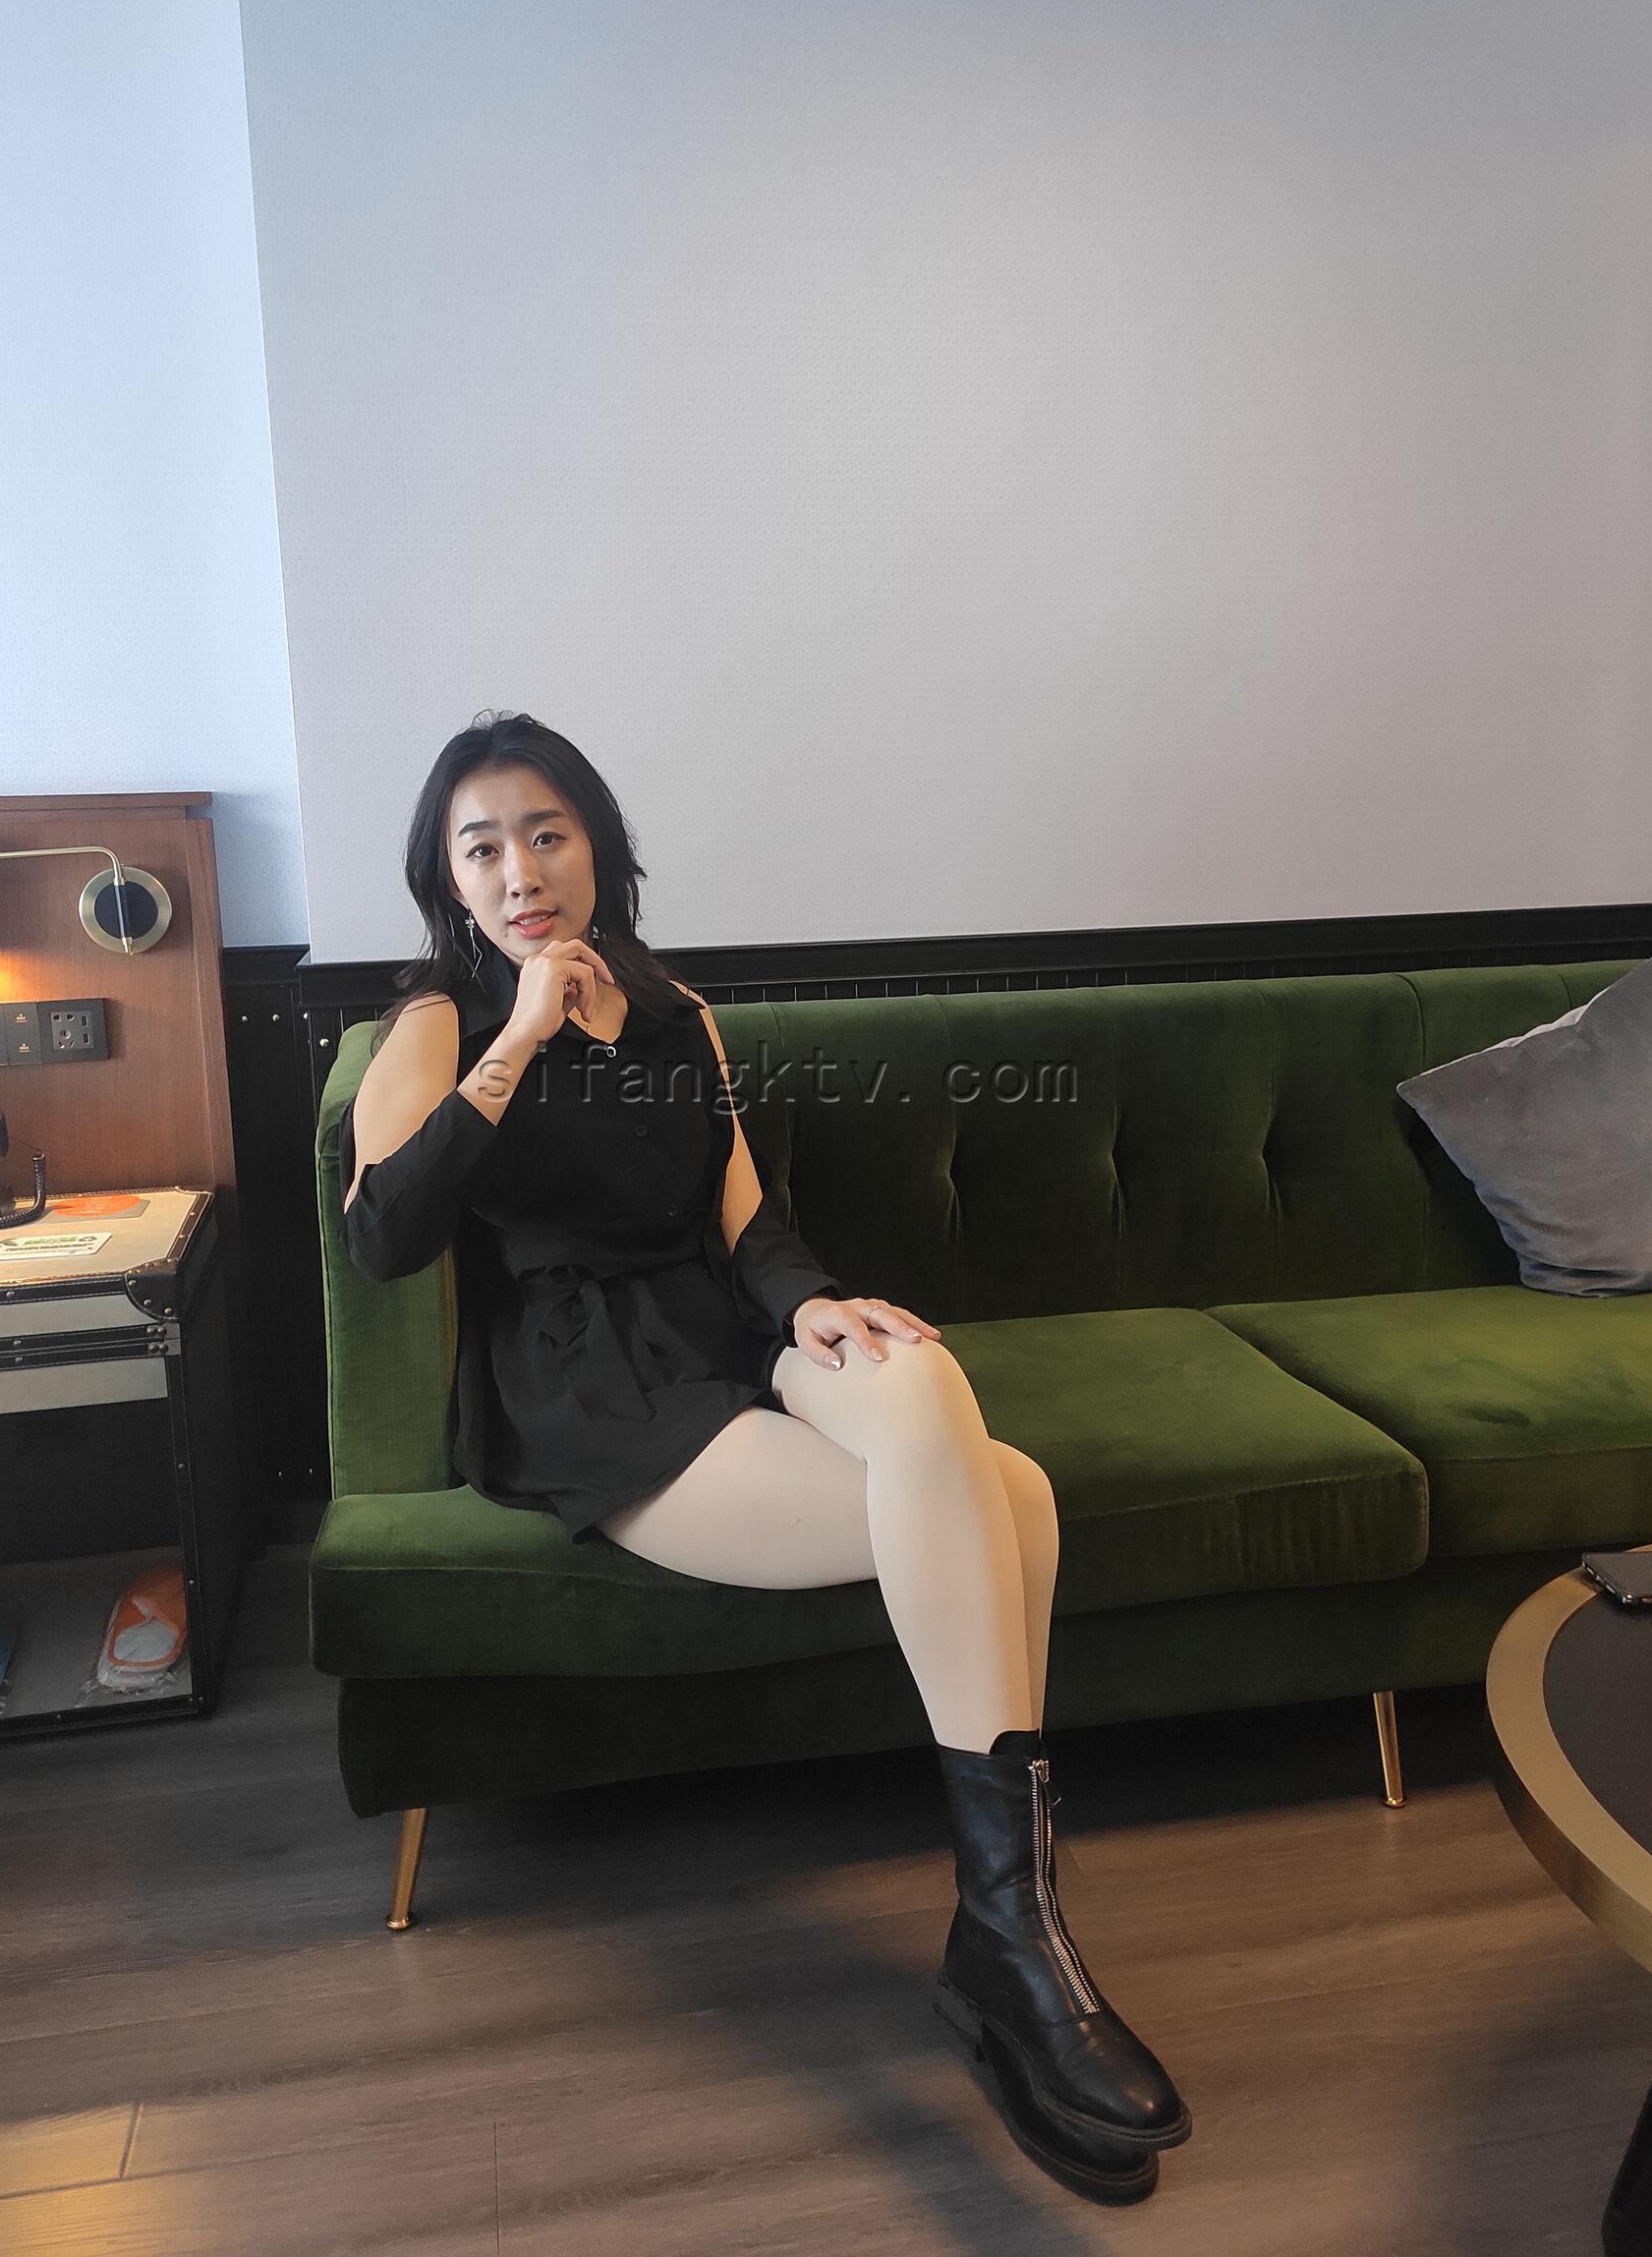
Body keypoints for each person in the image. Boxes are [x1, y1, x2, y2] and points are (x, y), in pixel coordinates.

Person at [339, 710, 1190, 2204]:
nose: (520, 869)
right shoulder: (436, 1020)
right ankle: (1014, 1947)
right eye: (483, 848)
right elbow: (383, 1235)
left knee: (942, 1400)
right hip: (592, 1387)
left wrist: (812, 1307)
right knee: (1011, 1504)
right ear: (448, 878)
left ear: (595, 846)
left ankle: (1008, 1935)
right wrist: (519, 1035)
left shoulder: (677, 1010)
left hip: (732, 1335)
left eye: (546, 833)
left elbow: (742, 1217)